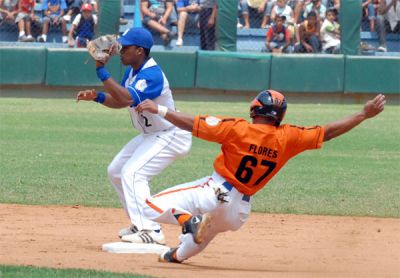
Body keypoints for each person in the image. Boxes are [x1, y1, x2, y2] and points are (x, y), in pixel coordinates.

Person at [134, 90, 386, 263]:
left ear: (256, 108)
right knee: (188, 247)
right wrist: (363, 114)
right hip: (238, 212)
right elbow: (328, 132)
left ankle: (190, 220)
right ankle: (175, 254)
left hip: (214, 193)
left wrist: (161, 109)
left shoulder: (237, 129)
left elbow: (192, 123)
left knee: (147, 205)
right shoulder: (289, 137)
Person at [76, 28, 192, 245]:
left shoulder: (152, 74)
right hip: (152, 134)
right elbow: (121, 100)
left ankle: (151, 230)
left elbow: (127, 97)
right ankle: (140, 223)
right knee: (116, 171)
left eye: (126, 47)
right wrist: (98, 97)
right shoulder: (132, 72)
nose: (120, 50)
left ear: (140, 50)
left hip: (170, 134)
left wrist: (102, 71)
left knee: (132, 173)